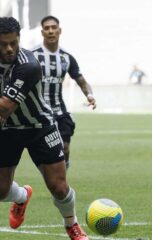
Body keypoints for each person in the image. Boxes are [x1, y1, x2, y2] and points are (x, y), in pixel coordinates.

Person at [0, 17, 89, 240]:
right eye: (4, 43)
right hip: (2, 130)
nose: (9, 49)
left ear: (19, 40)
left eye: (14, 43)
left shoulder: (29, 64)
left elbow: (1, 106)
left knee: (59, 188)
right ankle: (22, 196)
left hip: (39, 126)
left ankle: (71, 224)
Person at [32, 16, 96, 169]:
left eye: (54, 28)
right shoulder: (32, 55)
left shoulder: (67, 57)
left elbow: (81, 81)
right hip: (38, 112)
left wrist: (89, 95)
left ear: (59, 31)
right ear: (42, 32)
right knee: (45, 152)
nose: (51, 31)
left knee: (64, 148)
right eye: (47, 28)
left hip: (60, 111)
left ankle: (62, 176)